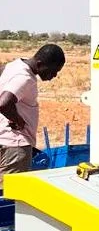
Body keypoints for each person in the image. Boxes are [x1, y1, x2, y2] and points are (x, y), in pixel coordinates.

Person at [0, 44, 65, 190]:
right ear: (40, 64)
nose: (53, 76)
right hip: (15, 146)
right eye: (53, 71)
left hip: (5, 140)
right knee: (11, 196)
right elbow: (4, 103)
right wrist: (19, 120)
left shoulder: (14, 65)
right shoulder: (25, 78)